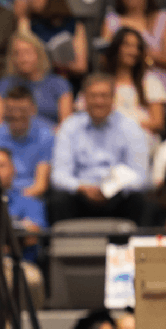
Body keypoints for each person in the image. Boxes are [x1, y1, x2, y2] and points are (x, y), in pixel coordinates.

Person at [50, 74, 150, 225]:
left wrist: (110, 188)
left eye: (104, 96)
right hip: (81, 194)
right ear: (84, 99)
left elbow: (141, 177)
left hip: (118, 195)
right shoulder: (70, 126)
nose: (99, 102)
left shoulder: (130, 127)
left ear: (113, 99)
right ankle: (64, 248)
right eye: (93, 96)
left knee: (142, 201)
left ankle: (135, 249)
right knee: (57, 201)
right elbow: (59, 175)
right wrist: (82, 187)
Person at [0, 85, 55, 199]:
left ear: (33, 110)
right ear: (4, 110)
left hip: (31, 197)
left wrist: (16, 200)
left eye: (22, 110)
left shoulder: (45, 137)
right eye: (11, 110)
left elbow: (40, 185)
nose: (16, 115)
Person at [0, 30, 74, 127]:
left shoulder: (60, 84)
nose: (23, 59)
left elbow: (66, 128)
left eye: (27, 52)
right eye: (17, 53)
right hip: (12, 138)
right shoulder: (4, 85)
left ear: (38, 54)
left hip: (51, 138)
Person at [100, 27, 166, 139]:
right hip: (104, 136)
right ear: (116, 48)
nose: (133, 51)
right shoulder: (101, 80)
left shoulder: (150, 81)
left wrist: (126, 125)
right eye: (127, 46)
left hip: (140, 137)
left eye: (137, 47)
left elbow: (158, 122)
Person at [101, 0, 166, 79]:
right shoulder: (112, 21)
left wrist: (141, 56)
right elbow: (105, 60)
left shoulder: (162, 18)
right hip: (128, 82)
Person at [28, 0, 89, 78]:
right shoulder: (29, 24)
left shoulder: (74, 25)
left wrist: (52, 63)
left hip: (68, 81)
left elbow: (81, 66)